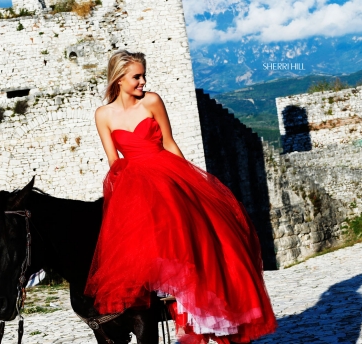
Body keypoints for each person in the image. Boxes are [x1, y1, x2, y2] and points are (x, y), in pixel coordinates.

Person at [84, 50, 277, 344]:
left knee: (194, 246)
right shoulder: (103, 115)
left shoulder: (152, 101)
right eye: (136, 76)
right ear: (119, 79)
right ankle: (164, 310)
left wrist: (195, 186)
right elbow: (114, 161)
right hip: (136, 185)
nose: (143, 81)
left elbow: (170, 143)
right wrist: (127, 198)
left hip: (169, 176)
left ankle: (198, 316)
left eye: (143, 75)